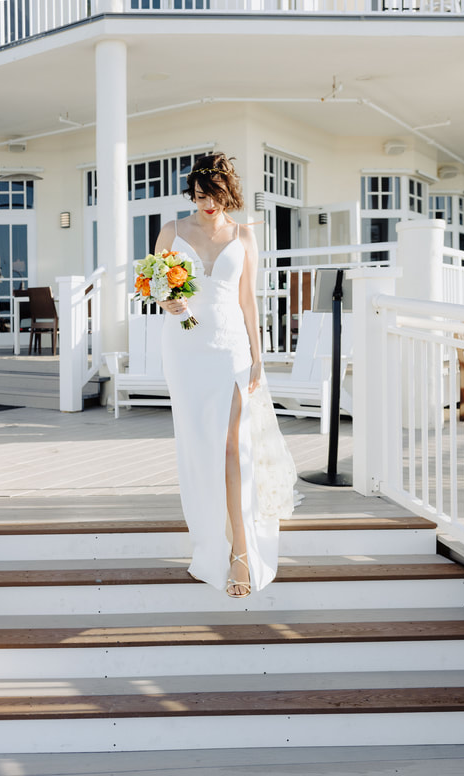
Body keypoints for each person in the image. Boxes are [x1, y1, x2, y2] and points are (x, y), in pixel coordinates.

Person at [156, 153, 296, 597]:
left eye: (213, 196)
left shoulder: (243, 235)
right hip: (186, 346)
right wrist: (169, 302)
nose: (206, 205)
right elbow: (158, 287)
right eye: (198, 197)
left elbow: (249, 301)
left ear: (226, 193)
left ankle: (239, 548)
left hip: (232, 348)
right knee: (201, 447)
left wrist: (259, 355)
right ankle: (208, 543)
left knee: (234, 447)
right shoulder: (172, 232)